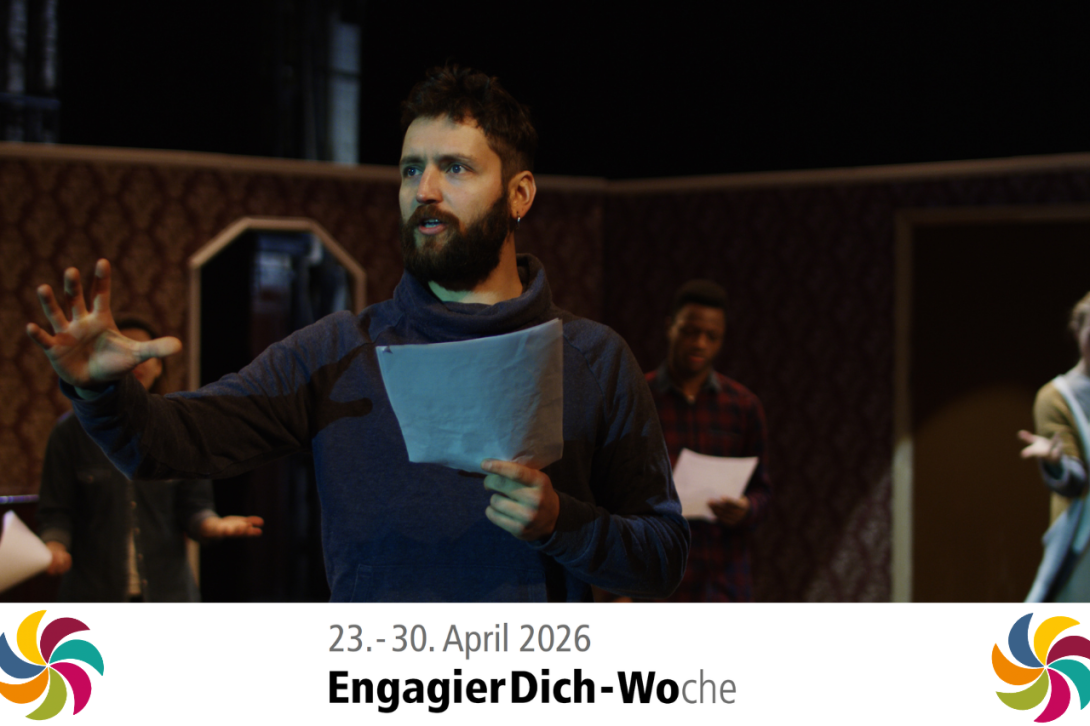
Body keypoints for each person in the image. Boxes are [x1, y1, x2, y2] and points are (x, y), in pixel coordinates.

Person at [25, 66, 689, 602]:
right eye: (411, 169)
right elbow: (169, 443)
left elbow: (663, 558)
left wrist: (562, 523)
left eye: (455, 168)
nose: (424, 190)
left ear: (519, 194)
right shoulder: (337, 350)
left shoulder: (593, 358)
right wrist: (100, 395)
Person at [37, 317, 264, 602]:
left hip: (168, 595)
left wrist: (212, 525)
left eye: (146, 353)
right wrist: (55, 546)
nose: (137, 361)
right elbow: (55, 511)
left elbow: (194, 506)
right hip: (93, 595)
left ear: (159, 367)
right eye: (125, 350)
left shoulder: (179, 427)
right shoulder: (68, 433)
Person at [645, 280, 771, 601]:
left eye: (711, 336)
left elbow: (762, 491)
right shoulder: (638, 398)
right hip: (654, 577)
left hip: (722, 580)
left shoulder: (743, 406)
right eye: (690, 332)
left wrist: (746, 509)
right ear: (670, 327)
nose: (700, 344)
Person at [1019, 292, 1090, 601]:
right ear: (1078, 331)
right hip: (1082, 542)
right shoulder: (1056, 397)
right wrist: (1057, 463)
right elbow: (1075, 480)